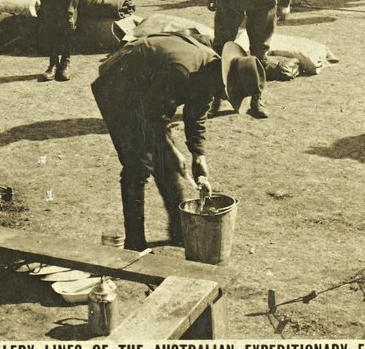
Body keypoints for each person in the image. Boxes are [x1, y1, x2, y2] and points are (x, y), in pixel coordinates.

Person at [91, 33, 265, 250]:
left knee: (164, 158)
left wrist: (198, 155)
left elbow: (197, 114)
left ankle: (178, 230)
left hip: (148, 89)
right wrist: (170, 148)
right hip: (118, 84)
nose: (225, 97)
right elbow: (147, 116)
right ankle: (134, 243)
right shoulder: (183, 72)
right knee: (138, 164)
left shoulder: (209, 71)